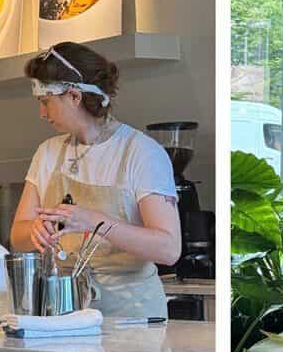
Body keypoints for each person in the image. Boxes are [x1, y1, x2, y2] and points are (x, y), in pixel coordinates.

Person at [10, 43, 181, 319]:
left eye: (45, 102)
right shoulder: (47, 153)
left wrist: (95, 222)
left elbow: (168, 248)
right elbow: (17, 236)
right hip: (67, 309)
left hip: (132, 316)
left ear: (74, 96)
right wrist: (35, 230)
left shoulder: (141, 152)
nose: (42, 114)